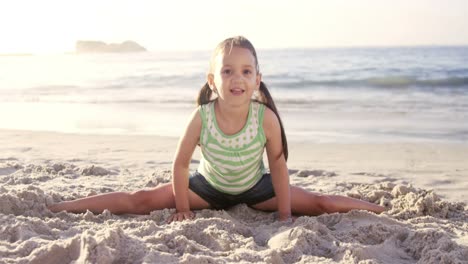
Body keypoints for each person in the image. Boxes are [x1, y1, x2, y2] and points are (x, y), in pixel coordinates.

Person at [48, 36, 385, 222]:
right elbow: (180, 164)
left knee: (320, 203)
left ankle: (381, 210)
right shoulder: (202, 117)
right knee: (141, 200)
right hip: (206, 189)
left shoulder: (265, 117)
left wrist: (284, 214)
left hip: (255, 190)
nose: (236, 78)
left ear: (257, 80)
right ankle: (59, 209)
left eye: (245, 71)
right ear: (213, 80)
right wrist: (182, 207)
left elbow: (279, 167)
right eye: (227, 71)